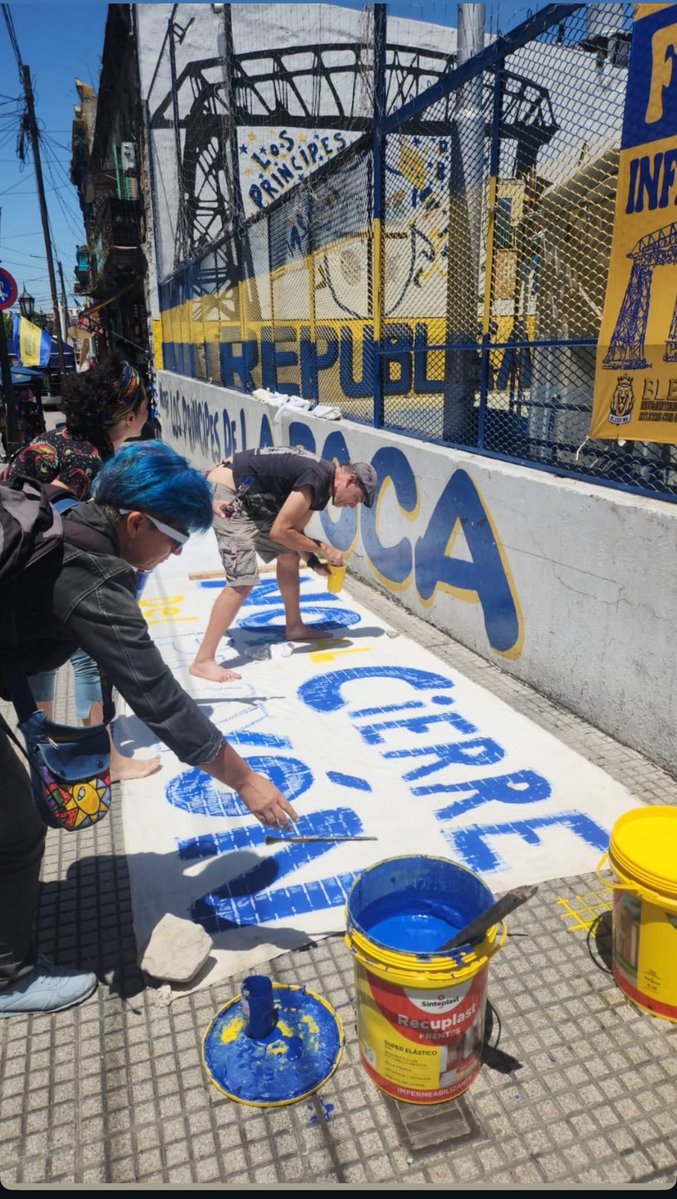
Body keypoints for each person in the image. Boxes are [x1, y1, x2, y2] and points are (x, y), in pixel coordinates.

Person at [0, 441, 298, 1016]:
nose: (174, 556)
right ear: (134, 521)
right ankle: (8, 977)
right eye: (174, 541)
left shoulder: (65, 514)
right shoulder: (88, 574)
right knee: (14, 829)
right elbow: (160, 699)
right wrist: (247, 783)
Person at [4, 356, 159, 781]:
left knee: (38, 665)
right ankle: (105, 757)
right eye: (145, 400)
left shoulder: (57, 440)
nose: (150, 406)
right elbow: (63, 520)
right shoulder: (89, 462)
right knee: (91, 660)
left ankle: (44, 758)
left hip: (19, 578)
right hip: (49, 576)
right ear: (129, 415)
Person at [189, 448, 377, 684]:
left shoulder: (322, 480)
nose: (354, 505)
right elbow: (280, 531)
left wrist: (313, 562)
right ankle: (202, 660)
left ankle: (295, 627)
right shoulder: (316, 476)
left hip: (251, 497)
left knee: (289, 554)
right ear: (350, 479)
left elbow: (292, 534)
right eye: (358, 498)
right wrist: (324, 548)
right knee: (243, 581)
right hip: (229, 495)